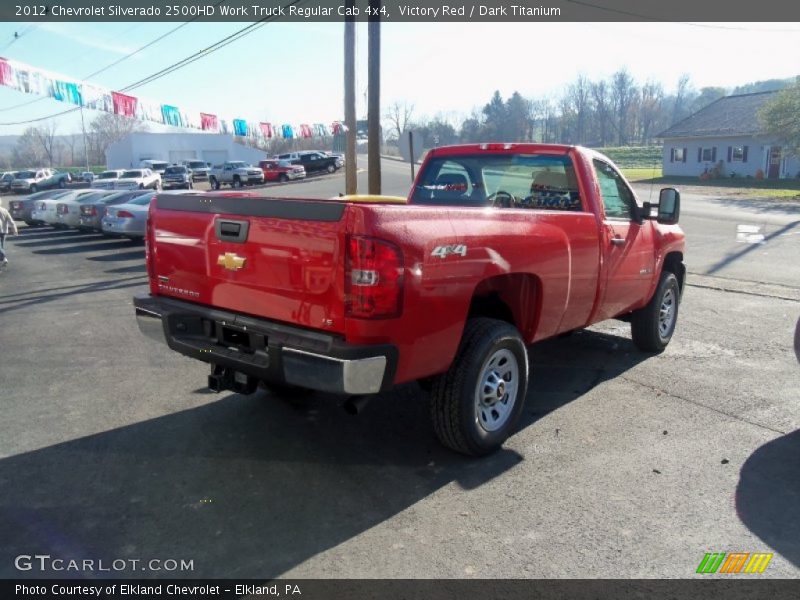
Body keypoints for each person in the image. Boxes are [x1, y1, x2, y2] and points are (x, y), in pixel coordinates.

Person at [0, 199, 19, 265]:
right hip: (4, 231)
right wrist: (15, 230)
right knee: (1, 245)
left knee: (0, 246)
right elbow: (11, 221)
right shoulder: (4, 210)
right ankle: (3, 258)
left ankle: (3, 257)